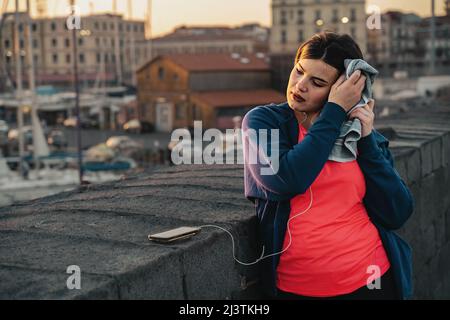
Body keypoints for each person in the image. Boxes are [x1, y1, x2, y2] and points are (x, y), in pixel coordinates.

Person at [242, 31, 415, 300]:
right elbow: (286, 178)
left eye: (317, 82)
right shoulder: (264, 121)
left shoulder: (358, 136)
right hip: (297, 287)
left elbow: (397, 213)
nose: (300, 86)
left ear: (343, 89)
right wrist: (334, 110)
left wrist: (367, 141)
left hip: (373, 278)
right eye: (299, 72)